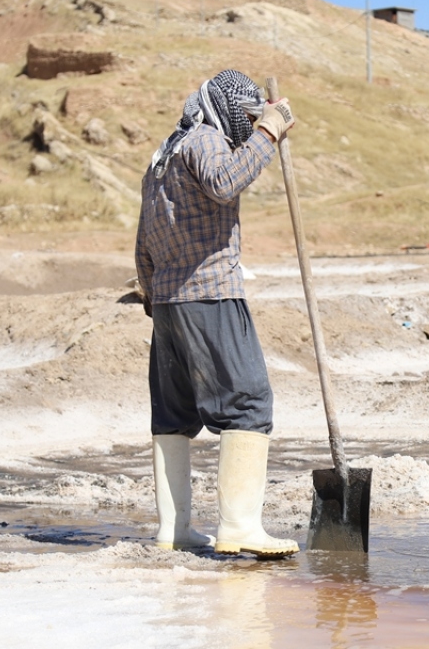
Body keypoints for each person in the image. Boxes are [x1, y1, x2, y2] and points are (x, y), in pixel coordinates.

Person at [135, 69, 299, 556]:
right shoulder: (204, 140)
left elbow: (144, 236)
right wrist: (271, 130)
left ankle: (174, 530)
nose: (246, 127)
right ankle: (239, 527)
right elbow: (226, 182)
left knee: (174, 416)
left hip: (166, 301)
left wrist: (152, 292)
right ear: (222, 108)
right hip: (210, 294)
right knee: (248, 403)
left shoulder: (164, 154)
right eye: (245, 118)